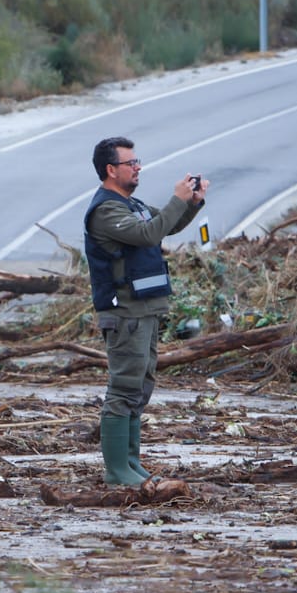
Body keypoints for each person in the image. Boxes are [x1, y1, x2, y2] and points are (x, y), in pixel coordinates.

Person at [83, 136, 208, 487]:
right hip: (124, 313)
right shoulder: (106, 210)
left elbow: (167, 225)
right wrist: (176, 199)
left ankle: (130, 463)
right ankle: (116, 471)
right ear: (111, 170)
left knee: (141, 388)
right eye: (131, 163)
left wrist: (192, 204)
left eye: (138, 162)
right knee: (123, 388)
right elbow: (149, 234)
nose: (138, 168)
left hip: (146, 309)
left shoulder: (131, 204)